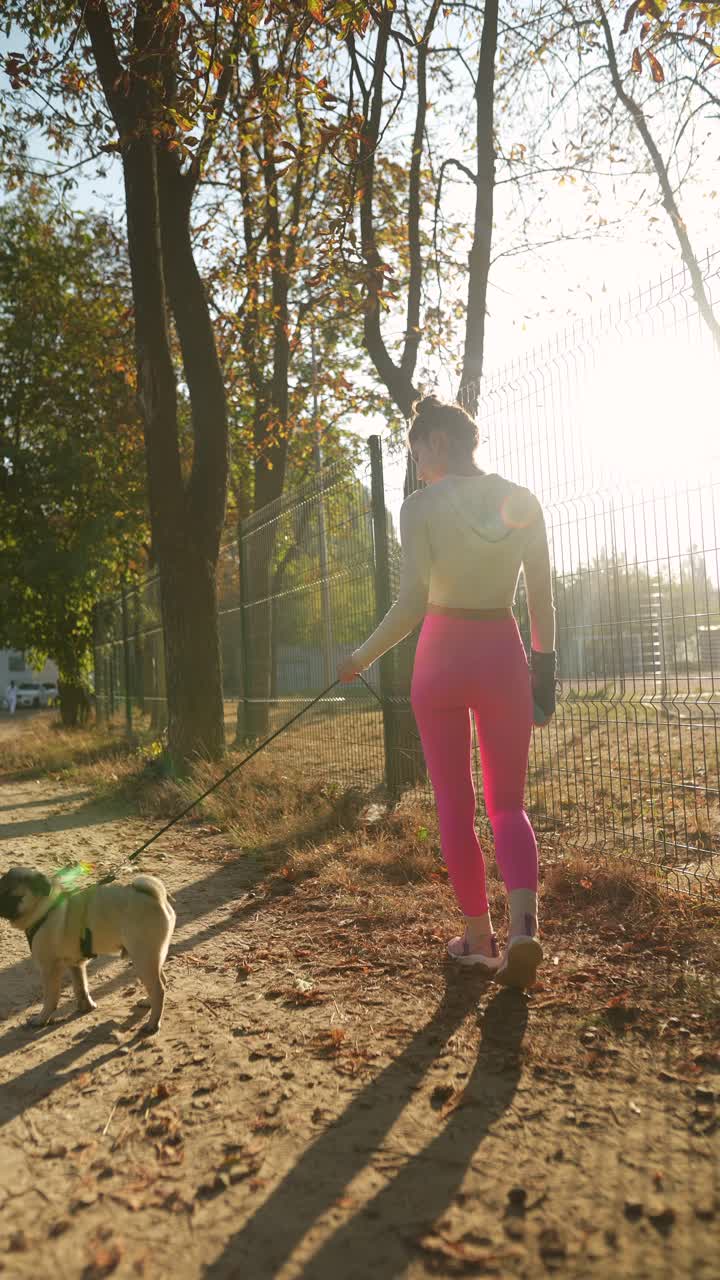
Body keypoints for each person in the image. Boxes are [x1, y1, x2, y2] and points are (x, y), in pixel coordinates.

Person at [337, 395, 556, 989]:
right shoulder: (522, 500)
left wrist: (358, 660)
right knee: (508, 805)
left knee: (454, 807)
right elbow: (540, 596)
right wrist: (546, 668)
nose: (417, 466)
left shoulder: (420, 507)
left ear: (434, 440)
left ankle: (478, 937)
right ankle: (523, 931)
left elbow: (411, 603)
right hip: (502, 655)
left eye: (415, 453)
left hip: (439, 659)